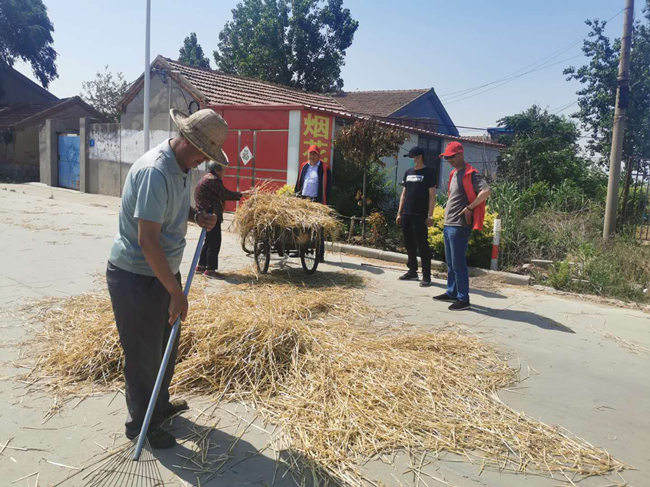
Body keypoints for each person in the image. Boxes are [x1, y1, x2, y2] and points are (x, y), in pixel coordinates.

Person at [106, 108, 226, 448]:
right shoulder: (155, 171)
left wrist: (196, 216)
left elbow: (170, 210)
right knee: (143, 354)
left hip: (162, 272)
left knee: (165, 347)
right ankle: (140, 425)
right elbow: (147, 240)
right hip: (137, 275)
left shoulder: (182, 167)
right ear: (187, 140)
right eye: (203, 151)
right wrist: (176, 292)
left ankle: (158, 406)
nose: (204, 160)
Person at [433, 142, 491, 311]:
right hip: (449, 223)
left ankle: (463, 299)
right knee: (451, 262)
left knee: (458, 263)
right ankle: (451, 292)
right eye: (447, 157)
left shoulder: (471, 174)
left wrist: (470, 208)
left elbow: (486, 191)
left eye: (451, 156)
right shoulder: (454, 173)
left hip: (459, 225)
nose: (449, 160)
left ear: (460, 154)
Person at [194, 161, 247, 278]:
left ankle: (201, 265)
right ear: (217, 170)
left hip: (206, 212)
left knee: (209, 240)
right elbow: (225, 194)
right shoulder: (213, 180)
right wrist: (242, 194)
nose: (224, 172)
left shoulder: (207, 178)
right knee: (214, 241)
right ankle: (210, 270)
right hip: (211, 214)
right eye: (223, 170)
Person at [396, 147, 437, 287]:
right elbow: (403, 194)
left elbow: (432, 196)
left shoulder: (429, 172)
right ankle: (412, 271)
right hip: (406, 213)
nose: (411, 160)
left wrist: (430, 215)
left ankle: (426, 275)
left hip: (420, 215)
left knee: (422, 245)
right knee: (409, 243)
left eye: (412, 157)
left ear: (420, 157)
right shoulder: (408, 172)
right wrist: (399, 213)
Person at [294, 145, 332, 262]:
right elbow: (298, 182)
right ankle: (300, 249)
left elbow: (328, 188)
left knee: (318, 228)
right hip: (303, 200)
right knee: (302, 226)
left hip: (317, 201)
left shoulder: (324, 168)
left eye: (314, 154)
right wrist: (296, 197)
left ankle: (320, 255)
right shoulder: (304, 166)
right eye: (311, 154)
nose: (312, 156)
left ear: (318, 156)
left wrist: (325, 204)